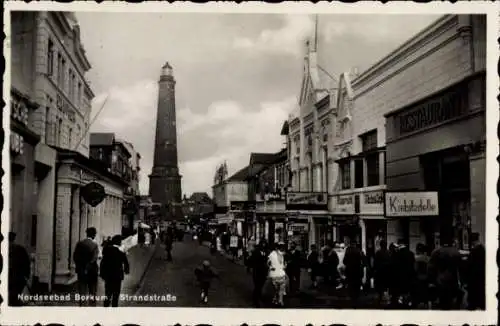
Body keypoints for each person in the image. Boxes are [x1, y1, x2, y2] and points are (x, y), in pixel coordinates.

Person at [428, 236, 463, 310]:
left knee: (443, 302)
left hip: (441, 281)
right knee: (450, 300)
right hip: (453, 280)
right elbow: (461, 268)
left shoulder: (436, 251)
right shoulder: (456, 252)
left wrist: (432, 281)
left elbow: (431, 268)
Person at [100, 235, 130, 307]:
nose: (121, 242)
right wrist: (126, 270)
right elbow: (126, 263)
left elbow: (102, 263)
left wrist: (102, 274)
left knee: (107, 293)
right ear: (118, 242)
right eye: (120, 241)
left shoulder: (107, 251)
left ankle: (106, 307)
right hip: (117, 276)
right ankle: (114, 309)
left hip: (108, 276)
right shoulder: (121, 252)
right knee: (116, 295)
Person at [73, 227, 99, 306]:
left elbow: (75, 257)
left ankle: (82, 307)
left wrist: (80, 267)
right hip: (92, 271)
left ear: (87, 234)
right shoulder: (94, 245)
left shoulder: (79, 244)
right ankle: (91, 308)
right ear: (94, 235)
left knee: (82, 292)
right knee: (92, 291)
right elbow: (94, 259)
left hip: (81, 271)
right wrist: (88, 268)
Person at [8, 232, 31, 306]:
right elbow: (27, 264)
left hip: (15, 279)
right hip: (17, 279)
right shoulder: (20, 249)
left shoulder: (19, 249)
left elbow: (26, 264)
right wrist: (26, 276)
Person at [246, 240, 269, 307]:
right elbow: (251, 261)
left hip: (263, 272)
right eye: (262, 244)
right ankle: (255, 300)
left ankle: (258, 297)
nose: (263, 246)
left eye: (264, 244)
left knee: (261, 285)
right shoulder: (256, 252)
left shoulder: (266, 252)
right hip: (257, 271)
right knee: (257, 286)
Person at [466, 233, 485, 310]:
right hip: (481, 275)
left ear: (472, 241)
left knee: (473, 292)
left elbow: (469, 264)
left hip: (474, 276)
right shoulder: (482, 249)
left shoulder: (474, 251)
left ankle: (473, 306)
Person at [343, 240, 365, 307]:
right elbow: (363, 261)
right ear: (355, 244)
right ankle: (356, 297)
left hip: (350, 271)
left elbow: (344, 261)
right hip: (357, 270)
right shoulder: (359, 251)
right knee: (357, 285)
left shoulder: (347, 251)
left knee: (350, 284)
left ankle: (352, 298)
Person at [268, 242, 287, 307]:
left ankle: (280, 300)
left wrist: (284, 266)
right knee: (276, 289)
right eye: (281, 247)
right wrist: (271, 267)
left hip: (281, 273)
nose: (282, 248)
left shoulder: (283, 254)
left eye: (283, 247)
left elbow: (284, 263)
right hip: (275, 273)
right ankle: (275, 298)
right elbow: (268, 262)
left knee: (281, 288)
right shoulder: (272, 254)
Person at [373, 239, 391, 305]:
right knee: (386, 285)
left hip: (380, 272)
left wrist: (375, 270)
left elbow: (375, 263)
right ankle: (387, 298)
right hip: (387, 272)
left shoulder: (378, 252)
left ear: (380, 245)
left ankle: (380, 298)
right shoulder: (389, 252)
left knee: (380, 286)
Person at [413, 243, 430, 309]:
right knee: (425, 294)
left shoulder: (415, 258)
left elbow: (415, 269)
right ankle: (426, 305)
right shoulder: (428, 258)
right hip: (426, 278)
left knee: (418, 294)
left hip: (418, 278)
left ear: (417, 249)